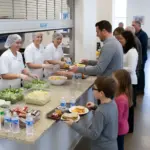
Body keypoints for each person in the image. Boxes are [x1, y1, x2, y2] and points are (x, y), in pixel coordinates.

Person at [65, 76, 118, 150]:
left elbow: (93, 135)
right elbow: (107, 115)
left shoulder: (100, 112)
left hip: (101, 147)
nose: (92, 90)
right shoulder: (113, 103)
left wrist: (73, 124)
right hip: (112, 145)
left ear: (101, 93)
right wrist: (95, 107)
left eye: (94, 88)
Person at [119, 31, 138, 133]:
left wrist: (118, 67)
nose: (120, 40)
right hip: (125, 80)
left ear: (128, 39)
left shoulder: (132, 51)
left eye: (121, 38)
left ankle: (129, 128)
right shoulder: (126, 50)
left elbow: (131, 68)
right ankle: (126, 126)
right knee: (126, 105)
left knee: (129, 106)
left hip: (131, 81)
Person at [113, 69, 133, 150]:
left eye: (114, 80)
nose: (112, 82)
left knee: (119, 146)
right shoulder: (120, 94)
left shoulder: (121, 99)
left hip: (119, 129)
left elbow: (118, 118)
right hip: (121, 127)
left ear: (120, 82)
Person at [132, 21, 148, 94]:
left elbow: (143, 47)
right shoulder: (136, 34)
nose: (132, 26)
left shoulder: (143, 35)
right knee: (138, 72)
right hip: (137, 57)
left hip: (142, 57)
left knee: (140, 72)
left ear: (138, 26)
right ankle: (137, 87)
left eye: (134, 25)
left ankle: (141, 89)